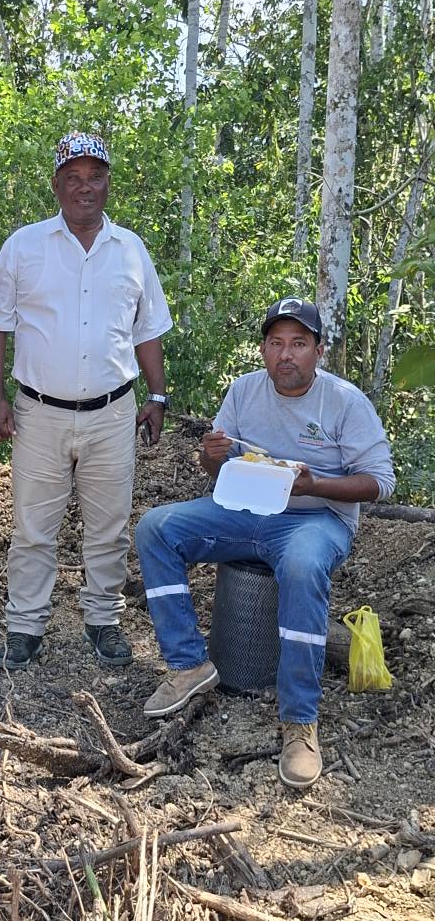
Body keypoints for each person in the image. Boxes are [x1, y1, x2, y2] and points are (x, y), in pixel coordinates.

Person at [135, 297, 395, 789]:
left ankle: (299, 721)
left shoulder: (344, 401)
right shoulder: (245, 391)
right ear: (263, 350)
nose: (286, 354)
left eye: (299, 343)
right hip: (246, 510)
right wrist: (211, 456)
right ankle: (189, 664)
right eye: (276, 343)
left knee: (301, 565)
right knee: (156, 528)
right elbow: (219, 468)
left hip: (315, 519)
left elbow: (380, 482)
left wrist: (316, 484)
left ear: (319, 350)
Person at [0, 131, 172, 671]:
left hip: (113, 413)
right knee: (32, 528)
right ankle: (24, 626)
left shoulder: (130, 250)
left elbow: (148, 329)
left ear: (108, 184)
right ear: (57, 185)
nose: (85, 187)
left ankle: (103, 620)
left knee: (109, 526)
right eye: (73, 178)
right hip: (39, 413)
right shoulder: (25, 246)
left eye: (95, 177)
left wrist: (157, 394)